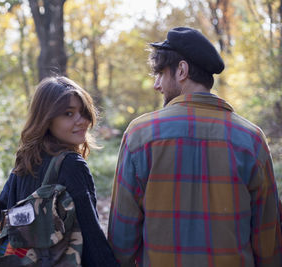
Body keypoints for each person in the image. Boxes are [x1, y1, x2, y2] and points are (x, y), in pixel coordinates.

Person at [108, 27, 282, 267]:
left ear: (181, 70)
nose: (156, 85)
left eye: (160, 73)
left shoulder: (140, 135)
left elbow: (122, 239)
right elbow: (268, 238)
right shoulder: (251, 139)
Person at [0, 76, 119, 266]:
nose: (81, 121)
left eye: (83, 112)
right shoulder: (71, 164)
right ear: (46, 119)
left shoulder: (26, 160)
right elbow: (91, 237)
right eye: (68, 113)